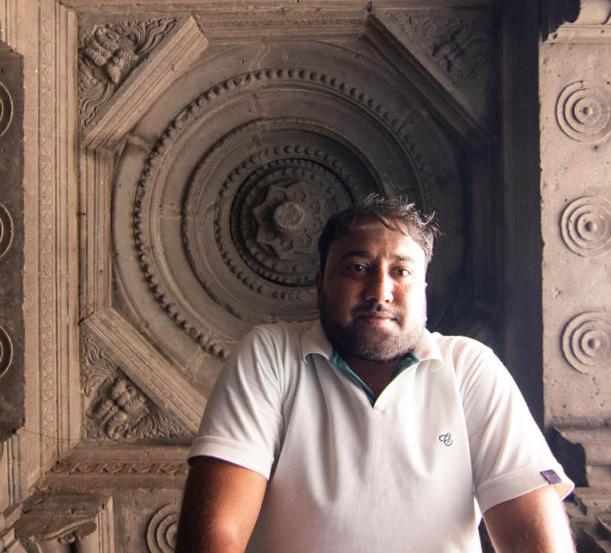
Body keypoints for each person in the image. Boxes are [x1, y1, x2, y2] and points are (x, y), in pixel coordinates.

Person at [176, 195, 575, 552]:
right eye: (359, 267)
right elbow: (213, 537)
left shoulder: (469, 367)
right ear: (320, 286)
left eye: (401, 271)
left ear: (423, 290)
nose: (379, 291)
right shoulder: (272, 355)